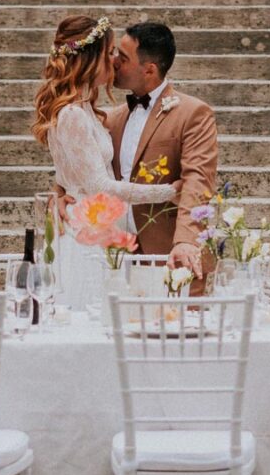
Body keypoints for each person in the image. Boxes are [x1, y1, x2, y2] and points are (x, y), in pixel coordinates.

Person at [33, 15, 180, 307]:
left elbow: (75, 174)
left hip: (98, 227)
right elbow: (99, 185)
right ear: (90, 58)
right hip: (87, 235)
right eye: (110, 51)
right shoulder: (73, 114)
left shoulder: (86, 109)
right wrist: (169, 191)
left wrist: (61, 192)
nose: (114, 60)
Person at [108, 23, 218, 281]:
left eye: (123, 58)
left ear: (149, 69)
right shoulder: (112, 119)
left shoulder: (193, 113)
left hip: (173, 259)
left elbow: (197, 180)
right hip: (118, 262)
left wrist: (186, 241)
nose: (113, 62)